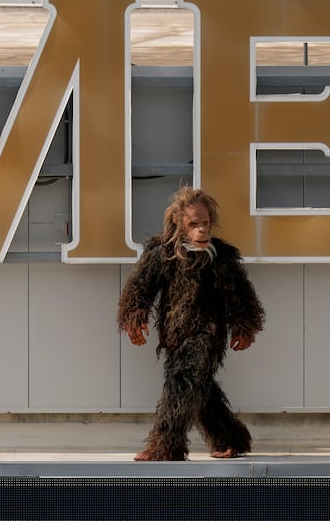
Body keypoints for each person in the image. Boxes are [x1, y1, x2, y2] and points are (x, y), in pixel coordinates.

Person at [118, 186, 266, 461]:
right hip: (175, 335)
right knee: (202, 389)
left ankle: (166, 445)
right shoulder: (162, 253)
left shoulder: (221, 257)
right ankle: (230, 438)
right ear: (179, 224)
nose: (201, 231)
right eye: (194, 224)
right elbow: (140, 288)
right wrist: (134, 316)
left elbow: (241, 294)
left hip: (208, 333)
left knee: (181, 382)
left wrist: (244, 326)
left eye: (205, 223)